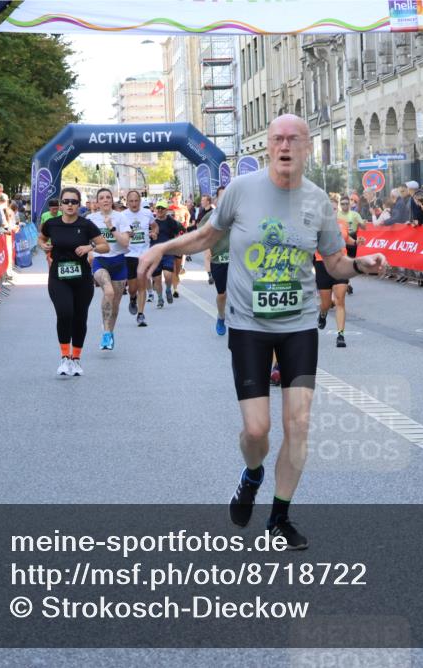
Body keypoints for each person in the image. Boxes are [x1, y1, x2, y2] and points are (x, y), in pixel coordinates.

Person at [138, 114, 387, 549]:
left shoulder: (317, 202)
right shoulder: (241, 191)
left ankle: (279, 517)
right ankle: (252, 473)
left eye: (294, 138)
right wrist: (162, 246)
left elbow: (334, 264)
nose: (285, 145)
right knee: (256, 431)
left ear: (307, 147)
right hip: (249, 324)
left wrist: (360, 265)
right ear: (268, 147)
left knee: (299, 423)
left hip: (299, 326)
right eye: (278, 139)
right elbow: (205, 238)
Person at [37, 187, 109, 377]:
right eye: (66, 201)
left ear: (79, 204)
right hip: (58, 277)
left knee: (79, 317)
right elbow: (41, 238)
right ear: (60, 204)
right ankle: (64, 357)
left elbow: (105, 246)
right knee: (65, 312)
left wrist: (89, 246)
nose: (70, 205)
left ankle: (76, 359)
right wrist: (43, 245)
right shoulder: (51, 224)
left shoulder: (86, 225)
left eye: (74, 202)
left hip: (82, 278)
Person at [88, 187, 131, 350]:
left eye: (108, 197)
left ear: (111, 200)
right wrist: (90, 252)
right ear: (97, 202)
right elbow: (86, 241)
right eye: (102, 198)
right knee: (109, 292)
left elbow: (125, 242)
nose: (105, 200)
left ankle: (109, 333)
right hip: (100, 261)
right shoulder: (91, 219)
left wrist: (111, 227)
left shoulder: (120, 217)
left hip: (119, 262)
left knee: (115, 304)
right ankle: (105, 333)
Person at [316, 199, 357, 348]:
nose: (332, 211)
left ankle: (340, 335)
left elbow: (348, 239)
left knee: (340, 300)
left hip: (341, 263)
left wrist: (358, 242)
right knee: (326, 303)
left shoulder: (342, 223)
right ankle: (323, 313)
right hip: (323, 264)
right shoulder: (316, 225)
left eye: (334, 209)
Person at [121, 190, 151, 326]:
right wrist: (126, 235)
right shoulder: (122, 216)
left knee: (142, 285)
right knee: (132, 288)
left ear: (140, 201)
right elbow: (117, 235)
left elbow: (155, 226)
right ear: (127, 202)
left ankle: (141, 314)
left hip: (144, 254)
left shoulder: (147, 213)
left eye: (136, 201)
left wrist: (154, 232)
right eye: (131, 201)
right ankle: (132, 298)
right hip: (129, 255)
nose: (134, 204)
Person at [203, 186, 229, 335]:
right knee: (222, 294)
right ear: (216, 200)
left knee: (241, 293)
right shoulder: (210, 216)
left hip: (237, 261)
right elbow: (201, 236)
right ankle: (221, 316)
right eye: (222, 197)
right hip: (219, 260)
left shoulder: (239, 215)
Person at [148, 200, 180, 308]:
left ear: (166, 210)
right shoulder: (152, 222)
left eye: (162, 208)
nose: (160, 210)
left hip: (167, 252)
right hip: (154, 254)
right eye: (158, 208)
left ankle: (168, 290)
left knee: (167, 275)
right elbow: (146, 235)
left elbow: (177, 236)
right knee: (156, 279)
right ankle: (160, 298)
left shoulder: (171, 222)